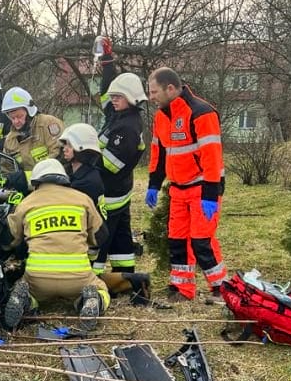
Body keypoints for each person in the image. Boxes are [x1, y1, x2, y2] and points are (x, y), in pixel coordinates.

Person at [146, 67, 227, 301]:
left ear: (170, 89)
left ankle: (221, 288)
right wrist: (153, 183)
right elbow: (158, 152)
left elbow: (211, 156)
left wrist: (211, 194)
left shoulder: (201, 112)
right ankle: (182, 288)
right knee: (177, 240)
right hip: (178, 188)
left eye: (154, 92)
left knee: (202, 241)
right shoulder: (161, 116)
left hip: (203, 187)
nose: (151, 97)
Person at [3, 158, 111, 329]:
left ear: (36, 182)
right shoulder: (82, 199)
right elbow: (101, 236)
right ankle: (92, 300)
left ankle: (25, 300)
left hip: (38, 279)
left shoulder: (26, 203)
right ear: (64, 179)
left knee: (24, 287)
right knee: (100, 288)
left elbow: (9, 240)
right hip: (78, 277)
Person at [59, 123, 152, 305]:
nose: (64, 149)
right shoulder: (81, 174)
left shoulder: (86, 182)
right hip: (86, 241)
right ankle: (129, 280)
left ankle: (131, 282)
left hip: (87, 245)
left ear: (81, 149)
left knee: (82, 284)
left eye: (68, 145)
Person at [91, 37, 147, 277]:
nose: (113, 100)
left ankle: (94, 277)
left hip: (113, 190)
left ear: (131, 98)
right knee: (122, 235)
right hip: (118, 189)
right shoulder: (118, 114)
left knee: (103, 233)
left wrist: (83, 158)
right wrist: (106, 62)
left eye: (118, 97)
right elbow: (105, 92)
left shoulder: (128, 127)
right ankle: (126, 276)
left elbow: (111, 165)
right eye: (114, 97)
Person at [0, 87, 62, 193]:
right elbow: (7, 171)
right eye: (12, 118)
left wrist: (23, 179)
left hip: (54, 188)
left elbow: (59, 159)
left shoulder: (48, 125)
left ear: (29, 111)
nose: (16, 121)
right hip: (29, 192)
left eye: (20, 116)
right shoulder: (10, 140)